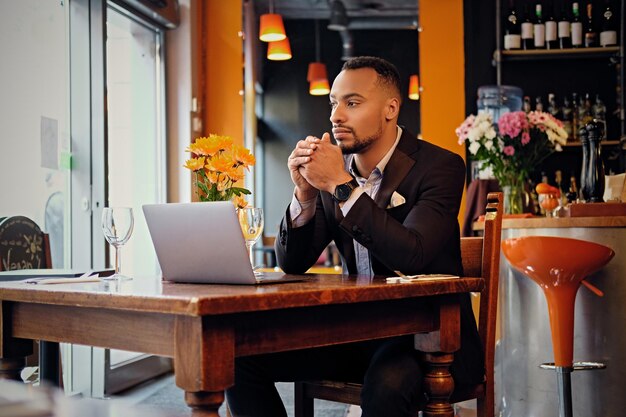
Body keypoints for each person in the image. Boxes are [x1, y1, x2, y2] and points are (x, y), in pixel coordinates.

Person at [225, 56, 483, 417]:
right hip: (354, 333)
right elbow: (294, 263)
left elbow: (413, 254)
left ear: (391, 108)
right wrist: (305, 194)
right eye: (334, 103)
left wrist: (341, 186)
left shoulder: (440, 167)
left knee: (387, 386)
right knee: (238, 360)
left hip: (428, 337)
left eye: (352, 102)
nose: (336, 115)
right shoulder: (335, 173)